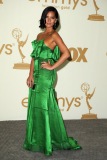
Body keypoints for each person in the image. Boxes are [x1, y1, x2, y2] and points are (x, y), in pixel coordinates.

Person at [23, 6, 82, 156]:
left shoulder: (55, 35)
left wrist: (52, 66)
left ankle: (48, 142)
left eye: (52, 17)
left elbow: (67, 53)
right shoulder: (39, 35)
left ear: (56, 20)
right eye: (46, 17)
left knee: (44, 106)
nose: (49, 20)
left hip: (46, 76)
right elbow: (34, 57)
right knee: (36, 106)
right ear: (44, 19)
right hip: (36, 74)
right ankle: (38, 139)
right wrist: (30, 74)